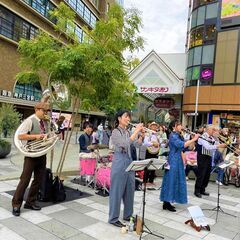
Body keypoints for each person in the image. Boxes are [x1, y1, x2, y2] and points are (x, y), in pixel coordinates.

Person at [12, 102, 50, 217]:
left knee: (38, 180)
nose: (45, 113)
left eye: (46, 111)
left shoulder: (44, 122)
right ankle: (16, 204)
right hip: (31, 155)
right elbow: (20, 136)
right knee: (25, 180)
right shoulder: (30, 121)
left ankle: (30, 202)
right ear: (37, 110)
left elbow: (45, 135)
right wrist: (36, 136)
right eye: (44, 111)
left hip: (41, 154)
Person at [108, 110, 143, 227]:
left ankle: (128, 215)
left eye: (129, 117)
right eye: (126, 117)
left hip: (129, 162)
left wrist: (141, 136)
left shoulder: (128, 132)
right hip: (119, 163)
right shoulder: (115, 132)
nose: (128, 119)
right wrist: (136, 131)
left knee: (130, 191)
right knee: (117, 192)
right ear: (119, 118)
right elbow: (124, 144)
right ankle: (113, 218)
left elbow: (136, 145)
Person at [160, 119, 199, 212]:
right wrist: (193, 139)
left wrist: (192, 139)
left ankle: (167, 202)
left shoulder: (178, 135)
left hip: (178, 160)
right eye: (179, 125)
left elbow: (187, 147)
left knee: (175, 180)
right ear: (174, 126)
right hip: (173, 160)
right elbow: (182, 144)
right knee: (171, 180)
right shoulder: (173, 136)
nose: (181, 126)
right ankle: (167, 202)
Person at [194, 125, 226, 198]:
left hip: (209, 157)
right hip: (202, 157)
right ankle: (197, 191)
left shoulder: (212, 137)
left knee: (207, 175)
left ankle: (203, 189)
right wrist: (219, 146)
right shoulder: (203, 137)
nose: (214, 131)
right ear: (208, 130)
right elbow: (208, 147)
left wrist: (219, 140)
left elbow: (216, 144)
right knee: (201, 174)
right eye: (213, 129)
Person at [143, 122, 160, 187]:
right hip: (149, 151)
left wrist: (162, 144)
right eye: (153, 126)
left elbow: (160, 143)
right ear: (150, 126)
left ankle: (151, 180)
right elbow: (145, 143)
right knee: (147, 166)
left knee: (154, 166)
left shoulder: (157, 135)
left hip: (156, 152)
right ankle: (145, 181)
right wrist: (153, 144)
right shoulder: (148, 133)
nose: (154, 127)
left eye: (155, 126)